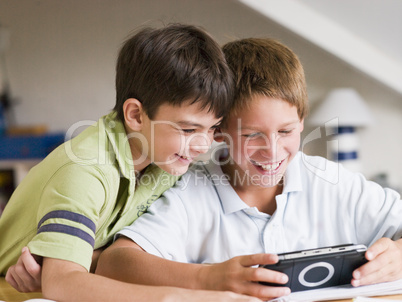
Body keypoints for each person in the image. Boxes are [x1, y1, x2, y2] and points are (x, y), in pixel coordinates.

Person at [94, 38, 402, 301]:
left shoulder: (329, 181)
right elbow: (115, 263)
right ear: (219, 132)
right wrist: (206, 278)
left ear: (302, 124)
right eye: (251, 134)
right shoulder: (190, 192)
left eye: (285, 132)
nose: (271, 150)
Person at [0, 24, 260, 302]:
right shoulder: (85, 170)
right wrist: (185, 297)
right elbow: (61, 282)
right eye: (188, 130)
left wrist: (85, 260)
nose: (203, 145)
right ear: (136, 115)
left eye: (212, 128)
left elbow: (100, 261)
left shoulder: (165, 161)